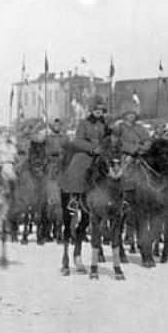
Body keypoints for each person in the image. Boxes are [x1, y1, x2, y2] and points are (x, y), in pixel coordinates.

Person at [58, 96, 108, 237]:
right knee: (79, 167)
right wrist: (93, 148)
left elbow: (110, 137)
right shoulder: (84, 123)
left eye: (101, 109)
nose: (98, 112)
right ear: (91, 110)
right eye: (96, 109)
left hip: (103, 153)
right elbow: (77, 141)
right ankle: (74, 198)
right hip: (87, 153)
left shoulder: (105, 123)